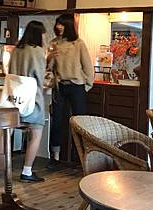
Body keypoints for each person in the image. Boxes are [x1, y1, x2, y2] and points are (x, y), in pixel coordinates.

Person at [48, 13, 94, 169]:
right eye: (57, 24)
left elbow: (88, 67)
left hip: (76, 86)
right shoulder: (53, 43)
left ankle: (81, 157)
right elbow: (49, 68)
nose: (58, 27)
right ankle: (55, 157)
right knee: (57, 122)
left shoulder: (78, 43)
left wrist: (86, 86)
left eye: (61, 24)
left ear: (68, 25)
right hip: (59, 86)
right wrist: (50, 57)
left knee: (80, 123)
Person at [7, 21, 47, 182]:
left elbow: (10, 71)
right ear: (38, 34)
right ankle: (27, 171)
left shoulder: (16, 49)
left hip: (14, 98)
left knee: (6, 131)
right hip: (32, 99)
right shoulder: (38, 51)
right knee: (36, 132)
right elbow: (40, 77)